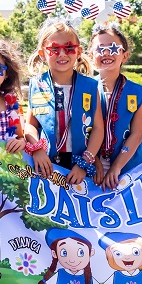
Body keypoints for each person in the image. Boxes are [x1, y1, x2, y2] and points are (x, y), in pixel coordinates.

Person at [24, 19, 105, 185]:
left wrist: (85, 162)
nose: (62, 54)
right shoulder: (37, 85)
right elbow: (31, 125)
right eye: (54, 49)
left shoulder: (90, 86)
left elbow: (98, 128)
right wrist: (36, 149)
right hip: (46, 164)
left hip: (79, 167)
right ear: (42, 54)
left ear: (78, 52)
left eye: (69, 48)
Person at [89, 22, 142, 189]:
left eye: (113, 48)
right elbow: (81, 132)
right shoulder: (84, 89)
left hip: (127, 168)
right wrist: (94, 160)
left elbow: (137, 134)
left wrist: (116, 167)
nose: (106, 53)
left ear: (125, 55)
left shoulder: (137, 92)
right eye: (100, 49)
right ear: (91, 55)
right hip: (90, 169)